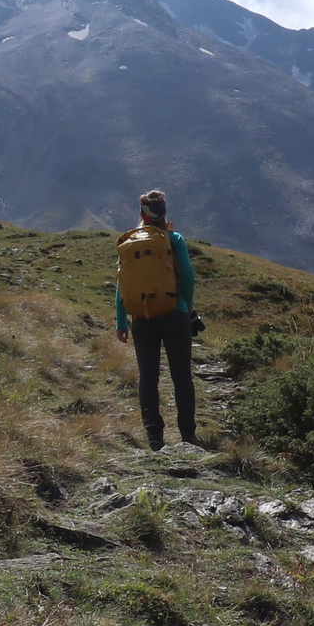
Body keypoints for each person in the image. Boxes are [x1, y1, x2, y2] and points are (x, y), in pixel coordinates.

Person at [114, 188, 199, 450]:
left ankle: (154, 437)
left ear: (142, 213)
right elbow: (187, 275)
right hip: (175, 312)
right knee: (181, 375)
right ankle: (187, 435)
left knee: (148, 377)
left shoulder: (130, 243)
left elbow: (122, 284)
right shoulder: (174, 239)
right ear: (164, 212)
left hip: (142, 316)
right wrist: (186, 304)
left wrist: (121, 321)